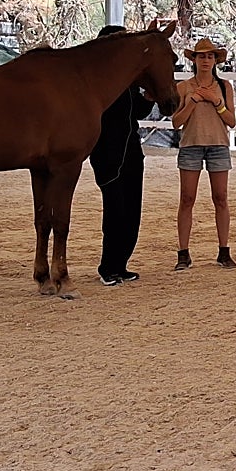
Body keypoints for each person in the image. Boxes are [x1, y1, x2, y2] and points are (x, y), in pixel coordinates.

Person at [88, 25, 156, 287]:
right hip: (107, 151)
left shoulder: (127, 80)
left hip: (131, 150)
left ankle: (121, 264)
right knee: (115, 209)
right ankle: (108, 266)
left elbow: (137, 111)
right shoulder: (97, 80)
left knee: (132, 210)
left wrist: (149, 97)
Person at [170, 37, 236, 270]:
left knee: (220, 198)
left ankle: (224, 250)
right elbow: (176, 122)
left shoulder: (224, 86)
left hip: (218, 144)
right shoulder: (184, 87)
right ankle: (183, 252)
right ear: (194, 60)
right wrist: (193, 101)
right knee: (187, 198)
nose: (206, 60)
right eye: (202, 56)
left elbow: (232, 121)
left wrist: (217, 102)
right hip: (191, 145)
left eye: (210, 56)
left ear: (216, 60)